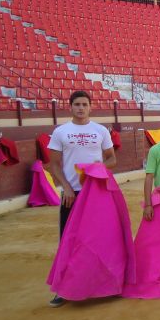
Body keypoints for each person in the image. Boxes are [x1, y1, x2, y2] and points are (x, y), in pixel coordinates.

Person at [47, 91, 116, 307]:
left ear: (90, 107)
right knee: (68, 240)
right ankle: (63, 289)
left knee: (98, 239)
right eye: (77, 104)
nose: (80, 108)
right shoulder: (61, 132)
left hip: (96, 193)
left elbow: (112, 158)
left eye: (84, 104)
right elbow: (54, 165)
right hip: (73, 193)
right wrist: (66, 187)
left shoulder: (100, 130)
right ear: (70, 107)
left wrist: (97, 170)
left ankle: (100, 284)